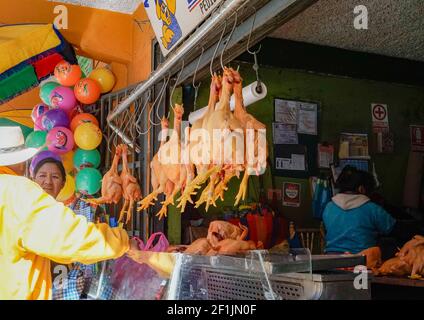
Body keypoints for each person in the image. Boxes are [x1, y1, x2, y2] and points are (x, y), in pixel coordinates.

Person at [0, 127, 131, 300]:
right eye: (42, 175)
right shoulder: (17, 191)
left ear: (63, 183)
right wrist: (121, 240)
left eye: (55, 177)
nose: (47, 181)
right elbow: (69, 238)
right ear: (22, 164)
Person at [323, 166, 396, 254]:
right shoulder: (372, 208)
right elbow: (392, 229)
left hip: (331, 259)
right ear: (361, 189)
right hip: (362, 262)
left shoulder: (329, 207)